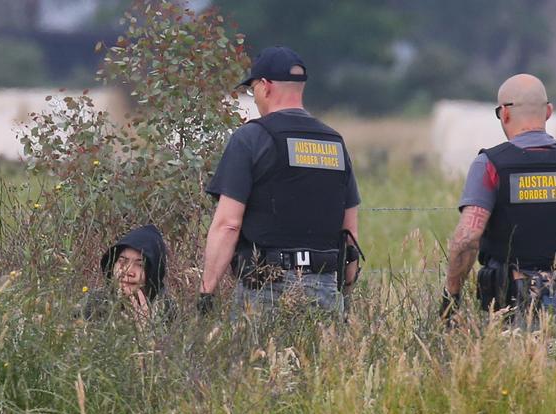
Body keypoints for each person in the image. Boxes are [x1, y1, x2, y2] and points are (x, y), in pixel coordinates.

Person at [440, 73, 556, 325]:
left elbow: (467, 238)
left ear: (504, 114)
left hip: (510, 307)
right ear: (549, 112)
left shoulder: (490, 165)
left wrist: (451, 296)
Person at [198, 46, 361, 319]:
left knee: (257, 362)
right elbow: (350, 232)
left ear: (265, 86)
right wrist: (344, 297)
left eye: (252, 90)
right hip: (324, 287)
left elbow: (228, 224)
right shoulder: (335, 143)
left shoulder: (250, 138)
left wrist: (206, 292)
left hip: (265, 290)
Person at [81, 224, 174, 327]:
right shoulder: (95, 302)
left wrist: (145, 332)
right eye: (122, 262)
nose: (128, 271)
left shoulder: (167, 312)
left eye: (140, 265)